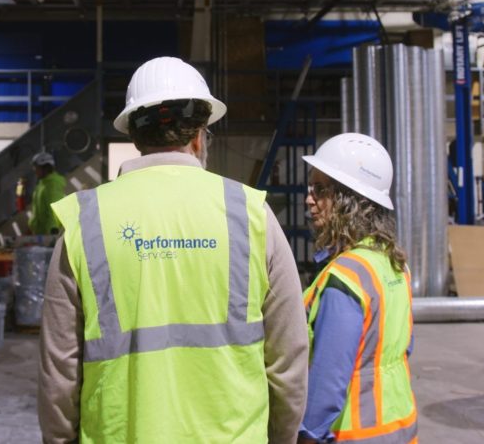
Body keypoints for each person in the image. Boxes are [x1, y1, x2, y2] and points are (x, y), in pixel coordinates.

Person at [37, 56, 309, 444]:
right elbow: (288, 358)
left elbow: (58, 375)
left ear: (134, 136)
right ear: (199, 134)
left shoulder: (85, 222)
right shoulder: (251, 215)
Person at [299, 133, 417, 444]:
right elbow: (403, 346)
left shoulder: (346, 278)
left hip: (354, 433)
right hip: (399, 426)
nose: (309, 199)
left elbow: (328, 380)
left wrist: (306, 436)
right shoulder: (393, 264)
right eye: (311, 189)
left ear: (349, 201)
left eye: (320, 190)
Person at [28, 151, 66, 236]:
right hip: (41, 233)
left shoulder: (53, 184)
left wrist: (53, 230)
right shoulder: (42, 184)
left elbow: (55, 208)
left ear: (45, 168)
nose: (34, 170)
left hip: (48, 234)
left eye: (36, 167)